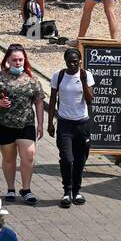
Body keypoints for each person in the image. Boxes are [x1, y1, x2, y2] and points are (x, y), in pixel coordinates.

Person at [0, 43, 45, 203]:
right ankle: (10, 188)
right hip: (4, 124)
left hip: (26, 123)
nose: (18, 63)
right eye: (14, 60)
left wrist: (40, 124)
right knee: (9, 158)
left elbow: (39, 102)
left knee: (29, 156)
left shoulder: (32, 79)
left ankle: (26, 189)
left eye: (20, 60)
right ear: (7, 60)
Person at [48, 47, 95, 208]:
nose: (73, 64)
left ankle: (77, 191)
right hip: (64, 124)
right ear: (65, 61)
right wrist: (49, 123)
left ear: (80, 60)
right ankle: (66, 191)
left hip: (82, 124)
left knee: (80, 159)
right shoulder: (58, 76)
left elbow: (89, 100)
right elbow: (53, 100)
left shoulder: (86, 75)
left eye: (75, 61)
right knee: (67, 159)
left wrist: (82, 81)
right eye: (69, 61)